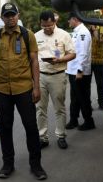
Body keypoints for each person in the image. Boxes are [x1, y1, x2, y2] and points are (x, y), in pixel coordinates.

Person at [0, 3, 47, 180]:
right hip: (2, 89)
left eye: (13, 15)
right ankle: (8, 164)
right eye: (7, 15)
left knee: (31, 127)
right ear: (2, 18)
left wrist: (36, 86)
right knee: (5, 128)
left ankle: (36, 165)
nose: (10, 18)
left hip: (24, 89)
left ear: (18, 15)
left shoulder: (28, 35)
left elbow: (34, 62)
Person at [34, 11, 75, 150]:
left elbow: (72, 54)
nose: (47, 28)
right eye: (44, 26)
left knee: (59, 107)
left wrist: (60, 59)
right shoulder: (36, 36)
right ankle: (42, 137)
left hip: (58, 75)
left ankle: (61, 136)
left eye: (49, 26)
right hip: (40, 76)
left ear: (54, 22)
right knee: (40, 108)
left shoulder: (64, 35)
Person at [65, 12, 95, 131]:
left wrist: (79, 70)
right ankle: (74, 119)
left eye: (69, 20)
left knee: (83, 97)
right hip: (73, 70)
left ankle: (89, 121)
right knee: (75, 97)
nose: (68, 22)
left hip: (79, 71)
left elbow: (83, 52)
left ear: (75, 19)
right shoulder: (76, 32)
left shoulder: (83, 32)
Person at [90, 25, 103, 110]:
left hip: (99, 61)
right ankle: (88, 104)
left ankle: (101, 104)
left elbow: (99, 40)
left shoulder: (101, 33)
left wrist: (95, 30)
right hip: (89, 62)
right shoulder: (86, 34)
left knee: (100, 84)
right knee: (86, 85)